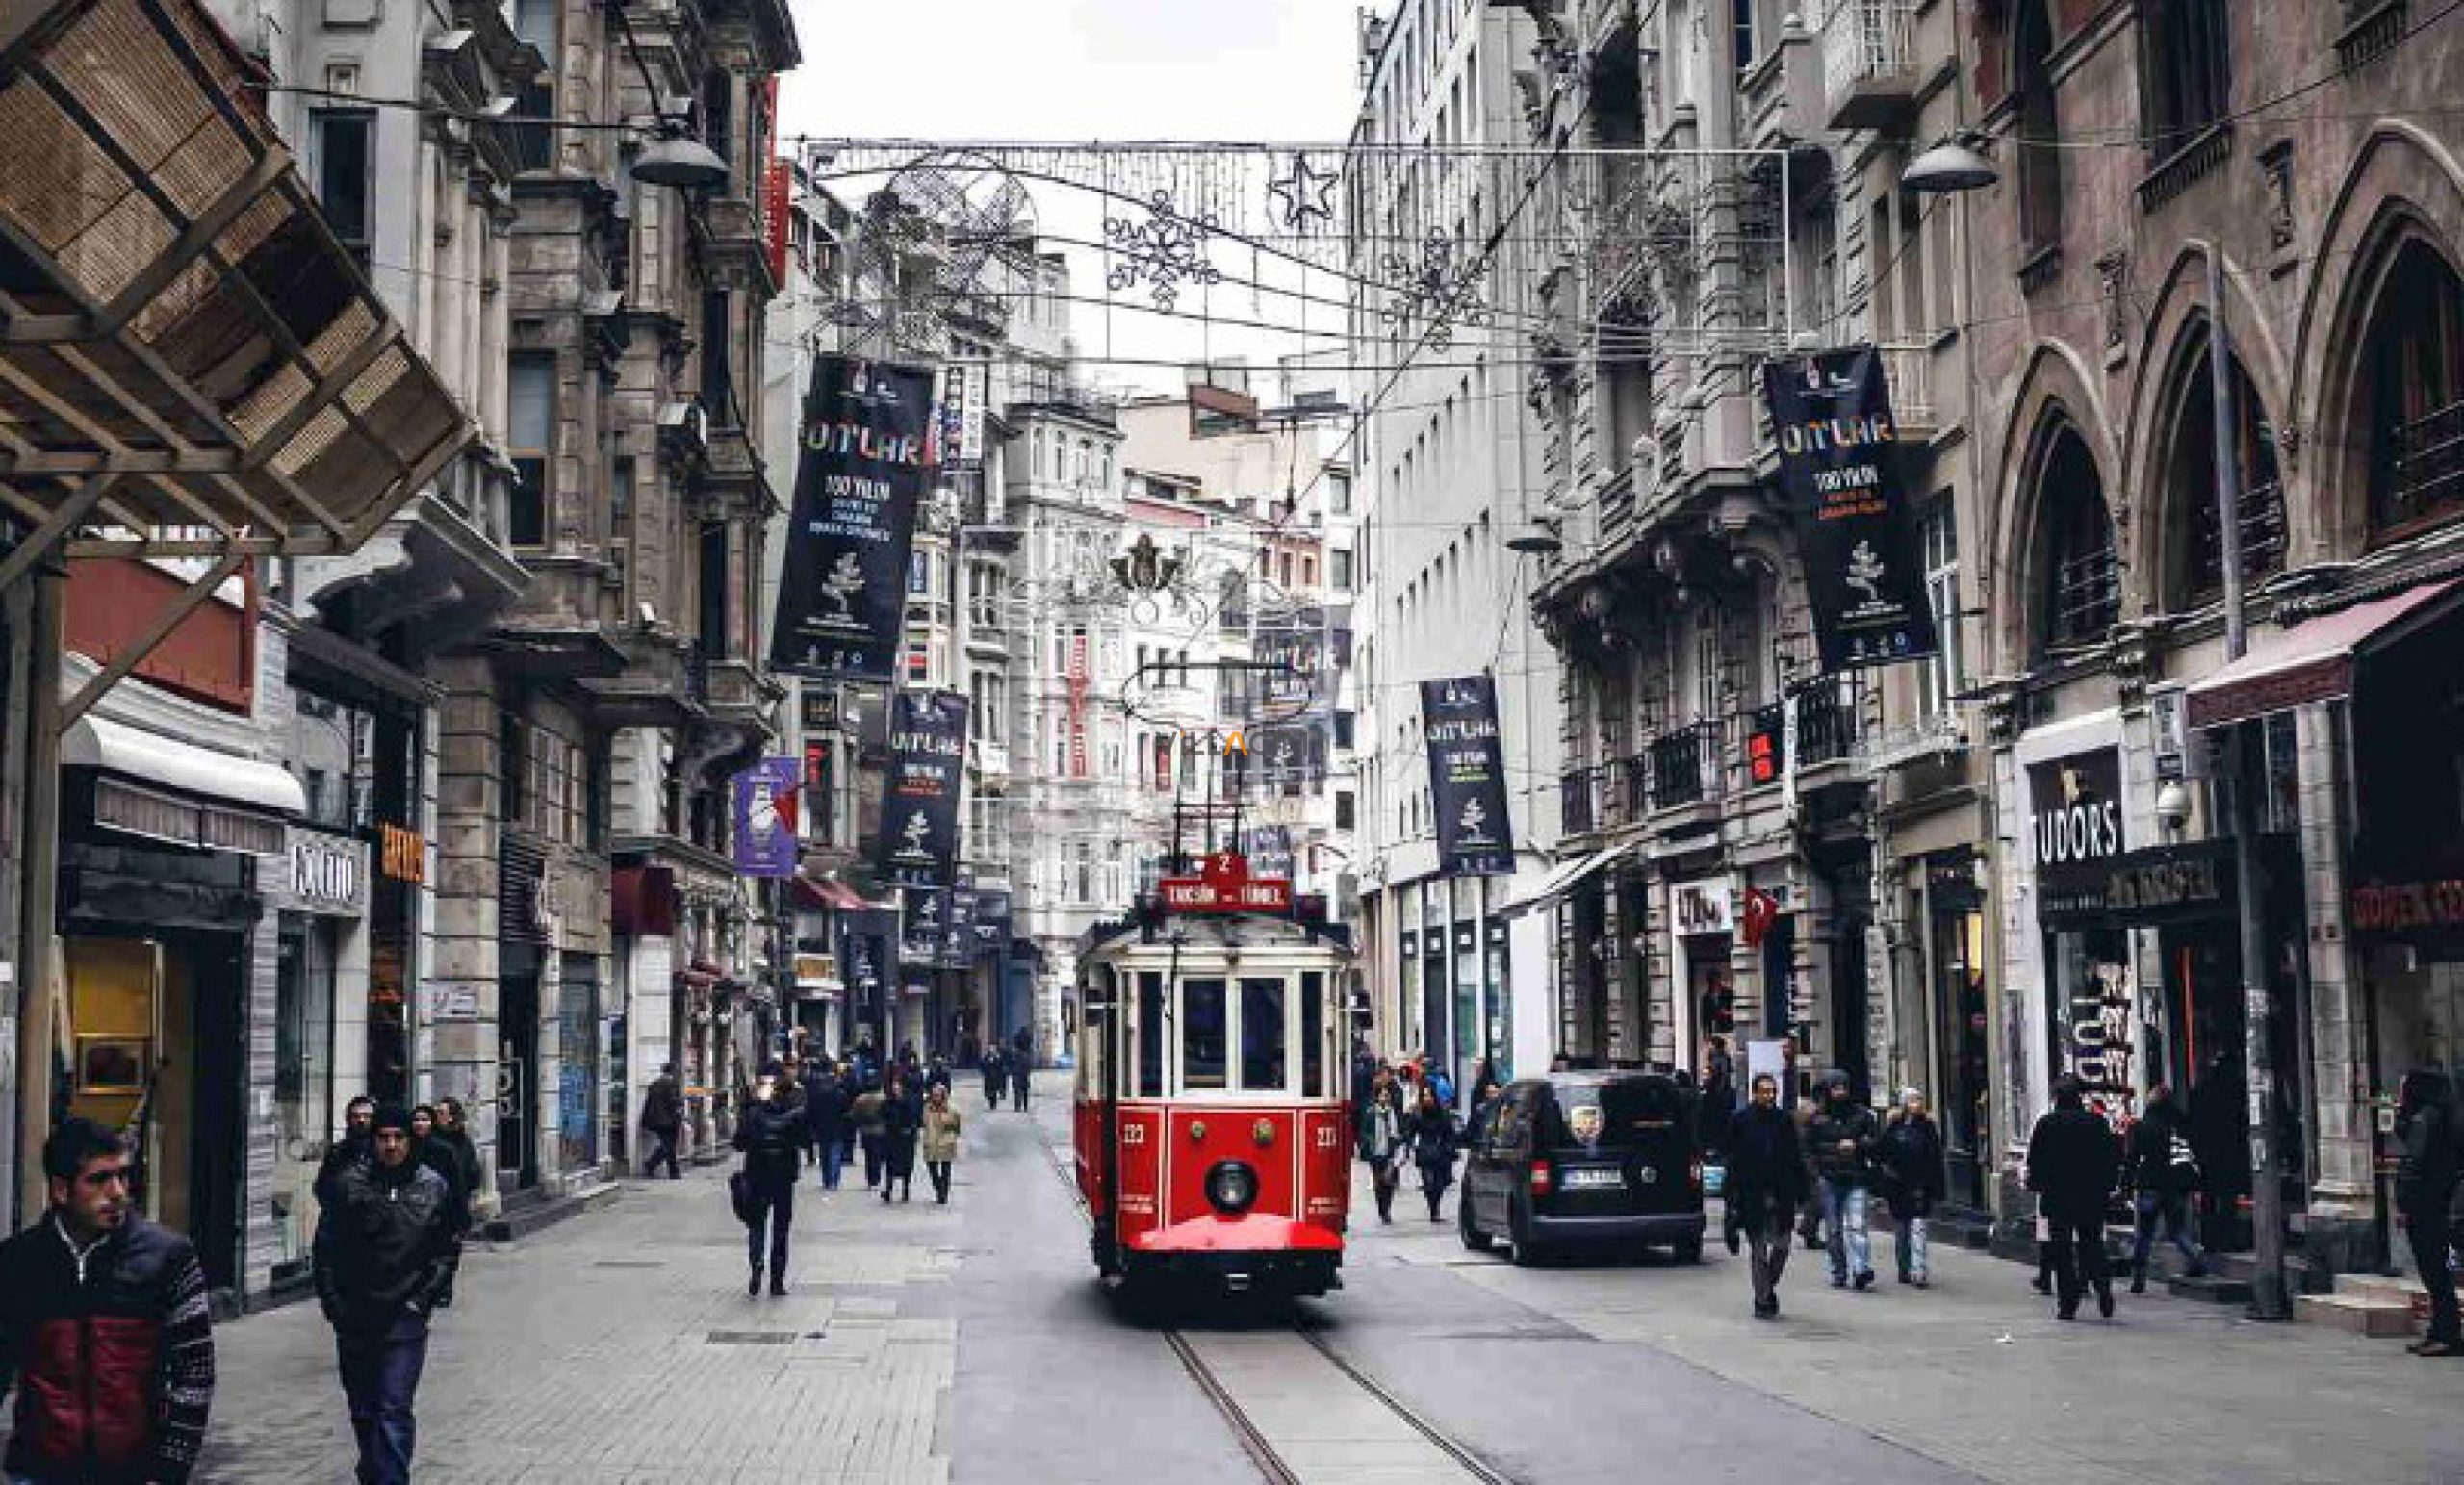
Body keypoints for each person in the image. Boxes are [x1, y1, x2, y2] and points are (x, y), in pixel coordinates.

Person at [0, 1117, 216, 1485]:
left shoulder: (168, 1258)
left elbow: (194, 1373)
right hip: (39, 1470)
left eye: (122, 1176)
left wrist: (169, 1471)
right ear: (60, 1190)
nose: (117, 1192)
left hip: (135, 1471)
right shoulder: (19, 1261)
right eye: (99, 1179)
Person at [316, 1103, 458, 1485]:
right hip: (357, 1313)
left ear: (411, 1141)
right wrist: (334, 1305)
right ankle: (374, 1470)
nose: (391, 1146)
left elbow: (445, 1249)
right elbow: (326, 1250)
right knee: (364, 1409)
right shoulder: (348, 1185)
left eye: (398, 1138)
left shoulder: (433, 1186)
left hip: (405, 1316)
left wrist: (422, 1300)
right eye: (384, 1138)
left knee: (393, 1407)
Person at [2027, 1074, 2122, 1321]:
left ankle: (2068, 1303)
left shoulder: (2047, 1124)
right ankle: (2103, 1288)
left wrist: (2037, 1185)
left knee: (2062, 1251)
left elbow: (2035, 1161)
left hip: (2057, 1197)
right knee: (2092, 1244)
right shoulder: (2096, 1123)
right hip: (2090, 1196)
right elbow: (2110, 1158)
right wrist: (2108, 1187)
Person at [1726, 1072, 1809, 1319]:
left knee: (1782, 1246)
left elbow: (1795, 1155)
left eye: (1773, 1091)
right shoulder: (1740, 1120)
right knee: (1759, 1249)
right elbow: (1732, 1159)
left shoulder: (1784, 1120)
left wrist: (1802, 1190)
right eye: (1765, 1091)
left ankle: (1767, 1285)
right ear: (1755, 1093)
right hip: (1752, 1192)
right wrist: (1731, 1196)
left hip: (1781, 1192)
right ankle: (1763, 1300)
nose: (1770, 1096)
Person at [2395, 1067, 2462, 1357]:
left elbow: (2414, 1163)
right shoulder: (2435, 1115)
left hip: (2426, 1207)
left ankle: (2445, 1334)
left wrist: (2405, 1201)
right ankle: (2441, 1331)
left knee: (2434, 1273)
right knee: (2436, 1275)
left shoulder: (2427, 1119)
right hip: (2435, 1203)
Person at [733, 1067, 809, 1296]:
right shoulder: (794, 1113)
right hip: (783, 1177)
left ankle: (756, 1262)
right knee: (781, 1229)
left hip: (757, 1174)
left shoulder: (753, 1113)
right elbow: (804, 1141)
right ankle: (777, 1280)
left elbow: (739, 1143)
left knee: (756, 1224)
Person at [2126, 1084, 2207, 1293]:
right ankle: (2195, 1257)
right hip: (2175, 1186)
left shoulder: (2144, 1126)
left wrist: (2126, 1183)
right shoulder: (2179, 1123)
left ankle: (2139, 1278)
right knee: (2176, 1228)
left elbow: (2132, 1158)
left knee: (2144, 1232)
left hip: (2150, 1185)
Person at [1804, 1071, 1881, 1291]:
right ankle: (1839, 1270)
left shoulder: (1862, 1115)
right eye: (1836, 1088)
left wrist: (1858, 1145)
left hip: (1856, 1177)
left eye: (1844, 1088)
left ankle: (1860, 1269)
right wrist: (1816, 1173)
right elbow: (1807, 1149)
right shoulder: (1817, 1118)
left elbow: (1876, 1142)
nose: (1841, 1093)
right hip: (1829, 1179)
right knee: (1834, 1229)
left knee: (1857, 1226)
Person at [1880, 1088, 1944, 1288]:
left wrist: (1936, 1187)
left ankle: (1919, 1270)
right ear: (1903, 1104)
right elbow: (1884, 1152)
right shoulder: (1893, 1127)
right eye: (1911, 1100)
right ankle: (1904, 1267)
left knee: (1918, 1228)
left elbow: (1935, 1157)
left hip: (1920, 1185)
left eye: (1918, 1099)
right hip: (1898, 1185)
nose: (1915, 1103)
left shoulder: (1927, 1127)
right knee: (1901, 1231)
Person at [1409, 1084, 1459, 1222]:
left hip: (1441, 1152)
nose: (1428, 1099)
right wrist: (1410, 1147)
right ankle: (1433, 1210)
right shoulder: (1417, 1114)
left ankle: (1435, 1206)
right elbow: (1410, 1133)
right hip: (1425, 1152)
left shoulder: (1443, 1113)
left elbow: (1450, 1133)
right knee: (1429, 1183)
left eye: (1430, 1095)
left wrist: (1450, 1147)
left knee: (1439, 1184)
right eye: (1425, 1096)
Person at [316, 1094, 378, 1204]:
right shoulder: (336, 1152)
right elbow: (321, 1188)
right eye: (355, 1116)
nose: (361, 1120)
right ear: (348, 1119)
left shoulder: (384, 1152)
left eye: (367, 1115)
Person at [1357, 1084, 1405, 1224]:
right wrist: (1369, 1143)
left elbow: (1400, 1129)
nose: (1385, 1097)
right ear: (1377, 1097)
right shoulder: (1370, 1112)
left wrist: (1398, 1140)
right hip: (1375, 1153)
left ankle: (1387, 1210)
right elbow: (1364, 1131)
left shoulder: (1393, 1112)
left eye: (1387, 1095)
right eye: (1382, 1095)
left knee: (1388, 1182)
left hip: (1390, 1152)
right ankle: (1382, 1209)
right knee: (1379, 1183)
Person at [805, 1062, 850, 1191]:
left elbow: (812, 1111)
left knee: (824, 1154)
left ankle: (826, 1179)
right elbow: (845, 1110)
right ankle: (833, 1181)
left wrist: (813, 1126)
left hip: (822, 1128)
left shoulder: (818, 1095)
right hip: (837, 1127)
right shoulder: (840, 1094)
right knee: (835, 1154)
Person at [881, 1070, 923, 1202]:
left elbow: (916, 1118)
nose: (896, 1089)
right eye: (894, 1087)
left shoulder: (911, 1101)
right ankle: (889, 1190)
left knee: (906, 1165)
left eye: (898, 1087)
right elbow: (883, 1116)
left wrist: (911, 1129)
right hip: (892, 1138)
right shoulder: (888, 1102)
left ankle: (905, 1190)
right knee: (891, 1164)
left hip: (906, 1138)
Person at [921, 1084, 964, 1204]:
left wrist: (953, 1136)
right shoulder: (926, 1108)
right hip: (931, 1141)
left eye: (938, 1095)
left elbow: (957, 1125)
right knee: (931, 1168)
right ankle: (938, 1187)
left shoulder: (952, 1109)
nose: (935, 1098)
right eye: (933, 1095)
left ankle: (943, 1193)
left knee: (946, 1169)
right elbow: (923, 1122)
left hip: (946, 1142)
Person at [641, 1064, 684, 1180]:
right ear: (673, 1072)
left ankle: (667, 1169)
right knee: (669, 1146)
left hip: (656, 1120)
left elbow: (648, 1103)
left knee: (667, 1146)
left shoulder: (654, 1084)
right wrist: (679, 1114)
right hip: (669, 1120)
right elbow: (674, 1102)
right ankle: (655, 1165)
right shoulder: (672, 1084)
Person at [852, 1078, 888, 1190]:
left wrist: (859, 1124)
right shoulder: (883, 1099)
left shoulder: (860, 1099)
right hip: (880, 1130)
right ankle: (876, 1178)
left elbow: (855, 1114)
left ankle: (870, 1179)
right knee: (878, 1155)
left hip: (865, 1130)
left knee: (869, 1155)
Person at [1010, 1029, 1033, 1112]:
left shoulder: (1015, 1054)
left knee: (1018, 1090)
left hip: (1017, 1074)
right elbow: (1029, 1066)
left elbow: (1011, 1064)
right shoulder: (1027, 1055)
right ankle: (1025, 1106)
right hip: (1024, 1074)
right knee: (1024, 1091)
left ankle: (1018, 1106)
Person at [980, 1046, 1007, 1111]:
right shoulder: (985, 1058)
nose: (992, 1052)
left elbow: (1001, 1066)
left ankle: (993, 1104)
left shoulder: (998, 1058)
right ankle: (990, 1100)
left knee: (994, 1091)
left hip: (995, 1077)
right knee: (988, 1092)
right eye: (990, 1051)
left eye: (993, 1051)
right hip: (988, 1077)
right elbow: (982, 1065)